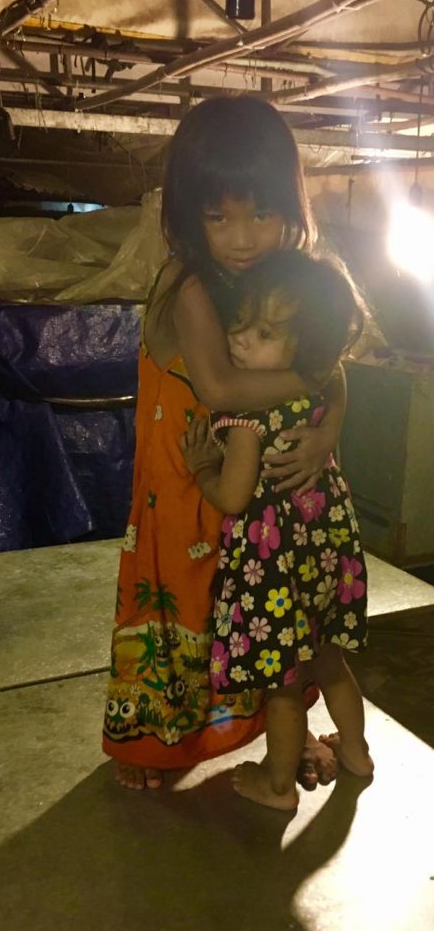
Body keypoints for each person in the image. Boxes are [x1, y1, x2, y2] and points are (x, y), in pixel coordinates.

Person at [102, 95, 346, 792]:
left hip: (263, 491)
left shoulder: (286, 277)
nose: (242, 239)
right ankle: (154, 741)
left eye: (260, 215)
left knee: (263, 610)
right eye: (218, 217)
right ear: (190, 214)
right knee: (183, 602)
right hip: (190, 480)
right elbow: (219, 385)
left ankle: (282, 734)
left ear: (289, 206)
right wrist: (313, 377)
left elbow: (333, 359)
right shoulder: (183, 282)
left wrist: (327, 428)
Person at [181, 248, 374, 811]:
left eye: (263, 333)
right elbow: (337, 376)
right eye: (240, 322)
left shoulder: (247, 415)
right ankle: (357, 753)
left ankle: (279, 786)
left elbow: (233, 496)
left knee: (284, 683)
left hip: (274, 569)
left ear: (305, 346)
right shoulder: (316, 390)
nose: (239, 339)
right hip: (327, 557)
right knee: (329, 662)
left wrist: (203, 469)